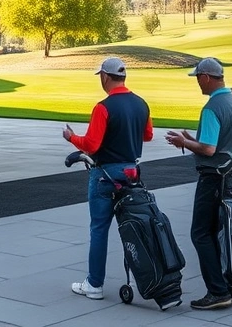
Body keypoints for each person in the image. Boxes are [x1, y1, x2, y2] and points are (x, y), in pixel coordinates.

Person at [64, 57, 154, 302]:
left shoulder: (103, 107)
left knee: (99, 229)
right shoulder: (141, 104)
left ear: (105, 76)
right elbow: (147, 135)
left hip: (105, 175)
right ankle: (143, 277)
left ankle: (94, 284)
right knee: (134, 225)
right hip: (132, 173)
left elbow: (92, 145)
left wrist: (71, 137)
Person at [165, 57, 232, 310]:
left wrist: (184, 143)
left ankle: (217, 291)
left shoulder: (212, 107)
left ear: (206, 77)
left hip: (214, 178)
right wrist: (192, 139)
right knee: (226, 230)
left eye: (198, 79)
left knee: (201, 233)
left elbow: (210, 149)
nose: (197, 84)